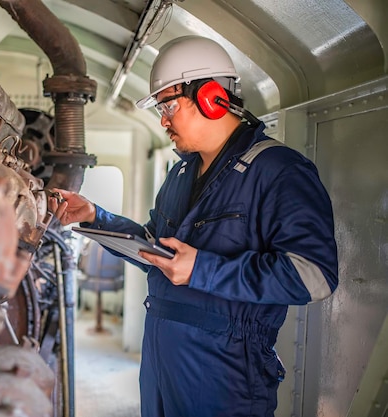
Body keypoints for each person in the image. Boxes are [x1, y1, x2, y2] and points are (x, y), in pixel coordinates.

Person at [48, 35, 338, 417]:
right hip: (161, 363)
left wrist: (202, 269)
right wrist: (94, 217)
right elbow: (155, 248)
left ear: (213, 98)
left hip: (224, 374)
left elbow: (314, 275)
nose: (163, 121)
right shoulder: (181, 172)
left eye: (168, 105)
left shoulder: (279, 171)